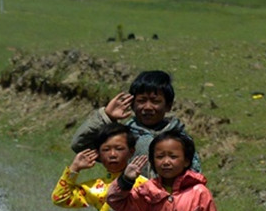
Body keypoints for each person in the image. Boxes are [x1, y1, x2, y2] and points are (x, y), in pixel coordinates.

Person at [70, 70, 201, 177]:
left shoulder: (181, 140)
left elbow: (194, 176)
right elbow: (81, 144)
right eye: (141, 100)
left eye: (155, 101)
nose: (148, 107)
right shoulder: (123, 138)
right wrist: (106, 117)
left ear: (168, 106)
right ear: (132, 104)